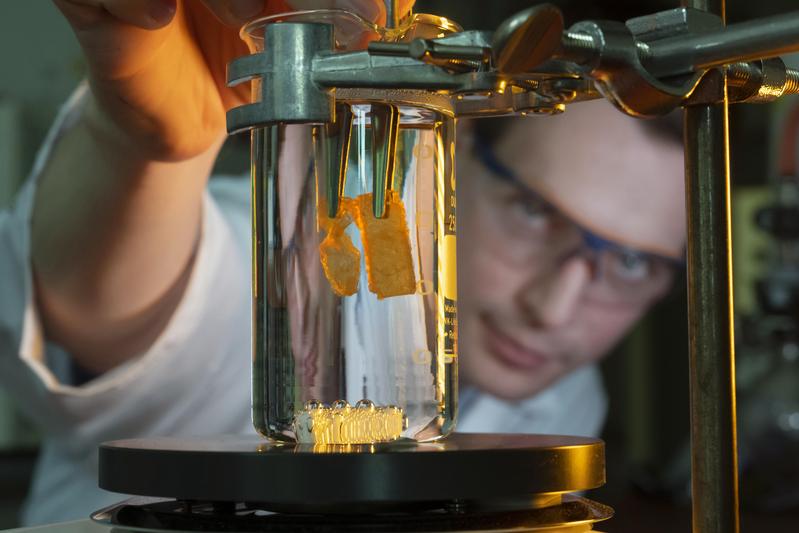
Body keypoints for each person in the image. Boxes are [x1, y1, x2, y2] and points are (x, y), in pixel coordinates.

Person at [0, 0, 683, 526]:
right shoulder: (268, 259)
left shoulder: (562, 394)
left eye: (629, 263)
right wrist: (139, 145)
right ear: (456, 140)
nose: (554, 308)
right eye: (536, 213)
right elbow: (98, 309)